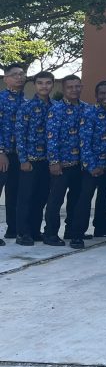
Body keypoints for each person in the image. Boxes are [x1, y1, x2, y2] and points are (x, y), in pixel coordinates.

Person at [68, 81, 106, 249]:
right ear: (96, 96)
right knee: (85, 199)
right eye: (102, 93)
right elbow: (84, 142)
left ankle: (101, 228)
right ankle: (77, 235)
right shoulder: (89, 113)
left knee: (105, 198)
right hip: (92, 166)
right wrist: (91, 165)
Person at [42, 74, 86, 245]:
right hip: (61, 164)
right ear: (63, 89)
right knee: (56, 200)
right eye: (70, 87)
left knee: (76, 200)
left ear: (81, 87)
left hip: (80, 165)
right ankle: (50, 233)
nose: (74, 90)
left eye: (77, 86)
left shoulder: (86, 108)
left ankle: (72, 231)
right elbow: (51, 138)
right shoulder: (57, 109)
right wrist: (54, 161)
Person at [14, 71, 55, 246]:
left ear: (52, 84)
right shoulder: (26, 107)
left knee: (41, 197)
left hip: (48, 161)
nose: (44, 86)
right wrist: (23, 160)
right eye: (40, 83)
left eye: (47, 83)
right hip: (30, 161)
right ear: (35, 85)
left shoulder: (56, 107)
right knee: (26, 198)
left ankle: (34, 230)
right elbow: (19, 135)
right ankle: (22, 233)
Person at [1, 62, 27, 241]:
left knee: (15, 192)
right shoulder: (1, 99)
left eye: (22, 74)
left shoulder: (25, 101)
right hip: (3, 153)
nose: (20, 77)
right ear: (6, 78)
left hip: (20, 154)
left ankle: (12, 228)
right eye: (15, 74)